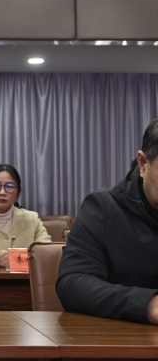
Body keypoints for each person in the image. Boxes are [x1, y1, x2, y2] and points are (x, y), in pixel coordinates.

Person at [57, 119, 158, 324]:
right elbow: (72, 283)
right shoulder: (103, 208)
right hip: (122, 336)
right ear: (142, 164)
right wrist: (148, 304)